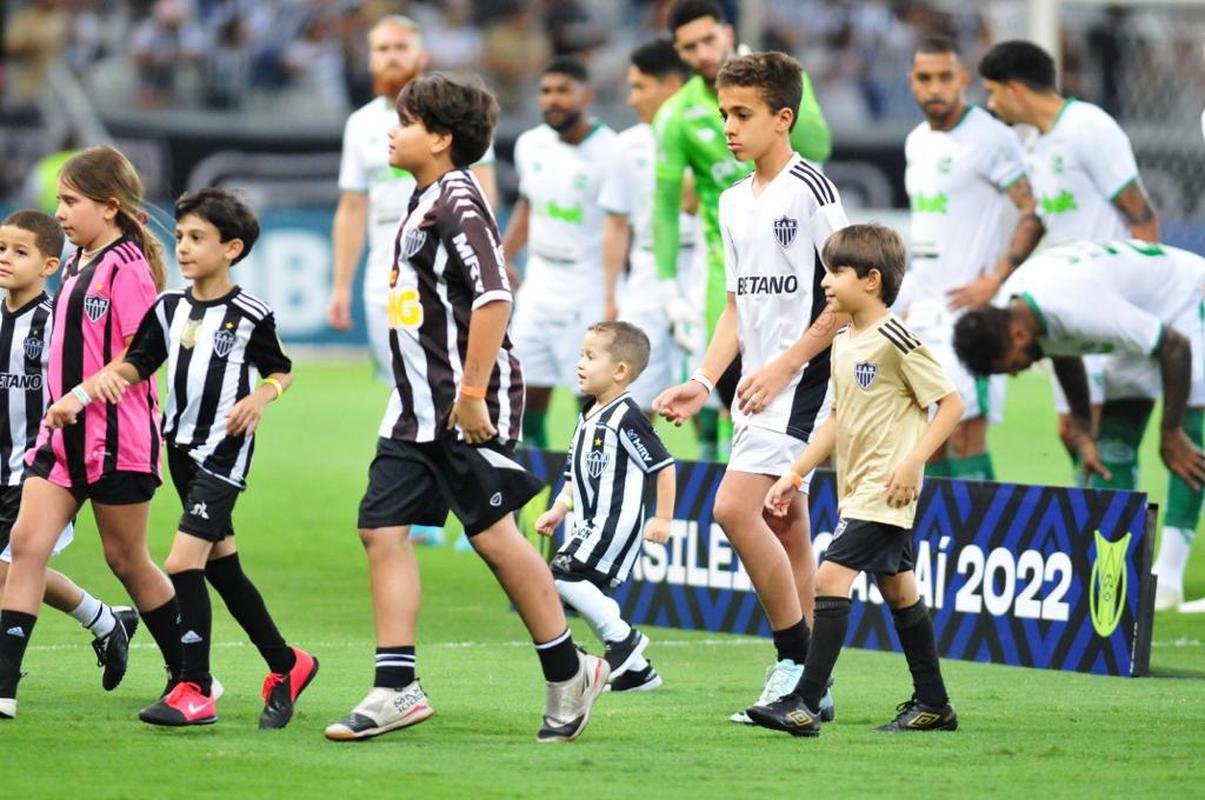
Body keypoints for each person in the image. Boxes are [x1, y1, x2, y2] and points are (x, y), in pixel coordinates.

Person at [324, 73, 607, 744]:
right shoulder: (424, 198)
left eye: (406, 122)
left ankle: (570, 670)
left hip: (461, 406)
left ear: (441, 139)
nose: (392, 131)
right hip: (413, 408)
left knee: (494, 538)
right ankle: (396, 687)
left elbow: (494, 296)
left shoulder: (459, 200)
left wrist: (473, 393)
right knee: (380, 530)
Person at [51, 188, 319, 727]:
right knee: (224, 569)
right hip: (181, 451)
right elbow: (138, 361)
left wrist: (261, 397)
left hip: (224, 453)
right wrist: (84, 394)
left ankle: (194, 687)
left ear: (232, 248)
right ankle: (288, 663)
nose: (184, 248)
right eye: (180, 237)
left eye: (198, 238)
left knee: (181, 562)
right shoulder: (169, 306)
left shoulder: (250, 313)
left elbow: (281, 368)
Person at [654, 52, 844, 725]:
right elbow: (736, 308)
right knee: (784, 523)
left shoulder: (812, 191)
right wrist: (703, 380)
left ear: (783, 118)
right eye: (723, 114)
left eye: (743, 114)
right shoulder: (733, 200)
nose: (728, 128)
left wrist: (786, 365)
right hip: (758, 387)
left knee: (734, 509)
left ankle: (795, 664)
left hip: (804, 383)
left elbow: (848, 298)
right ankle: (811, 684)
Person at [755, 223, 964, 737]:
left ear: (872, 280)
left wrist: (913, 462)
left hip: (886, 489)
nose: (825, 281)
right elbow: (837, 419)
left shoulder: (897, 338)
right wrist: (795, 473)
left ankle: (804, 702)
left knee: (829, 579)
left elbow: (951, 404)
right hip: (859, 490)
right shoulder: (844, 341)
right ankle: (934, 703)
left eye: (837, 272)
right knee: (898, 589)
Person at [0, 146, 183, 720]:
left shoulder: (127, 267)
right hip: (61, 443)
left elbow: (143, 354)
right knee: (25, 547)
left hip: (116, 439)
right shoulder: (79, 260)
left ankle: (191, 673)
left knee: (127, 559)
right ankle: (4, 688)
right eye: (58, 200)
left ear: (109, 206)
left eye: (70, 201)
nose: (59, 212)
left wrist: (79, 395)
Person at [952, 240, 1205, 612]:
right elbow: (1063, 353)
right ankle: (1120, 575)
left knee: (1190, 432)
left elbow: (1175, 347)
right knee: (1111, 446)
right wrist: (1085, 432)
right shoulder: (1017, 310)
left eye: (1013, 365)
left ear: (1018, 336)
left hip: (1186, 298)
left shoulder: (1075, 306)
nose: (1018, 373)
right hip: (1139, 312)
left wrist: (1170, 434)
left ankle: (1167, 579)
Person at [328, 14, 496, 546]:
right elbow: (352, 206)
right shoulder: (361, 125)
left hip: (443, 268)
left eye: (400, 47)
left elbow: (482, 189)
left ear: (420, 55)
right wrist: (341, 284)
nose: (390, 57)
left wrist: (488, 254)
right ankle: (428, 505)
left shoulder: (453, 116)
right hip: (388, 271)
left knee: (453, 378)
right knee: (406, 385)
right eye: (381, 48)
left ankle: (483, 505)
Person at [654, 0, 832, 458]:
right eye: (689, 47)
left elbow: (818, 145)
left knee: (805, 445)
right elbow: (666, 205)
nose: (702, 53)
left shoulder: (810, 188)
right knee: (736, 401)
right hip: (725, 267)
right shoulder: (677, 117)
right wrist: (668, 286)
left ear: (729, 34)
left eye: (708, 40)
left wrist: (774, 92)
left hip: (797, 293)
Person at [978, 39, 1161, 484]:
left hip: (1103, 300)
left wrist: (1141, 295)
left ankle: (1115, 523)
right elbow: (1041, 218)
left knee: (1097, 432)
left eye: (992, 92)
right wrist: (1001, 275)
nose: (990, 103)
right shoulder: (1039, 144)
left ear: (1015, 89)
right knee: (1071, 431)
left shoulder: (1088, 128)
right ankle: (1106, 515)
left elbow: (1142, 215)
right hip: (1064, 304)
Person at [0, 210, 139, 697]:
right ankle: (106, 620)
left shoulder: (55, 321)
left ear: (49, 266)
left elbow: (85, 382)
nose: (6, 258)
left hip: (35, 469)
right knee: (14, 568)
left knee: (12, 568)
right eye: (1, 249)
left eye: (20, 252)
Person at [900, 35, 1045, 481]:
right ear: (912, 82)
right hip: (925, 311)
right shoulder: (916, 142)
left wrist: (996, 280)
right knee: (927, 439)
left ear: (963, 79)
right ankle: (936, 529)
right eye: (925, 78)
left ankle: (985, 525)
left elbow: (1033, 212)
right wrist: (911, 297)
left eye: (945, 77)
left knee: (965, 435)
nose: (935, 87)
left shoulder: (991, 137)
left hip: (970, 315)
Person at [536, 322, 676, 692]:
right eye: (581, 355)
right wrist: (560, 507)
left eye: (590, 356)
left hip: (613, 521)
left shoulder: (627, 416)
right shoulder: (588, 412)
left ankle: (623, 639)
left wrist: (663, 518)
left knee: (562, 575)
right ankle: (638, 673)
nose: (580, 363)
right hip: (587, 522)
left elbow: (664, 467)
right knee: (574, 586)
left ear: (620, 371)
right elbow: (574, 470)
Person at [501, 57, 618, 450]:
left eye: (563, 91)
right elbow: (528, 204)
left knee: (589, 392)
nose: (553, 100)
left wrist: (614, 293)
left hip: (587, 282)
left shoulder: (611, 151)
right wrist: (504, 254)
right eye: (546, 91)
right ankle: (532, 479)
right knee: (525, 389)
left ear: (587, 96)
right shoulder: (530, 144)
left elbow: (623, 225)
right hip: (539, 281)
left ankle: (588, 472)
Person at [599, 39, 696, 416]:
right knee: (631, 392)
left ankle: (714, 452)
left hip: (701, 263)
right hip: (647, 271)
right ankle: (633, 456)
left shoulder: (714, 135)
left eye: (640, 87)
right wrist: (611, 294)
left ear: (670, 85)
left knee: (711, 390)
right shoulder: (627, 146)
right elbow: (616, 224)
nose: (631, 98)